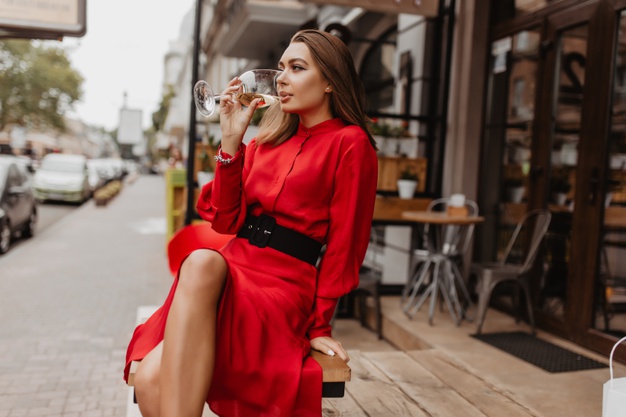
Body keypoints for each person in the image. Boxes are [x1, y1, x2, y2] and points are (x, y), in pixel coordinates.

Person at [123, 29, 379, 417]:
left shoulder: (350, 143)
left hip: (283, 286)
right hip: (233, 267)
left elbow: (347, 245)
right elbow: (225, 221)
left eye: (297, 68)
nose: (282, 79)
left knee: (199, 266)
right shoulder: (265, 141)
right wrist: (231, 141)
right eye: (281, 69)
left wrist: (319, 326)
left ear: (329, 81)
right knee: (148, 378)